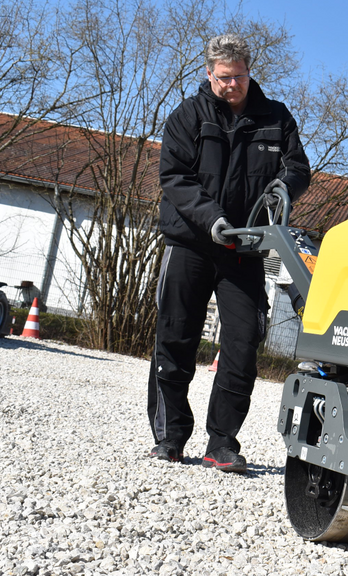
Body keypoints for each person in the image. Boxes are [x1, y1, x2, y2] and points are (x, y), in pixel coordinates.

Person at [146, 33, 310, 473]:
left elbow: (298, 168)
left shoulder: (275, 118)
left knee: (241, 347)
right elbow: (175, 177)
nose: (230, 85)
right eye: (222, 78)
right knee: (176, 337)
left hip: (246, 252)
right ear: (209, 73)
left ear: (249, 70)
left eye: (237, 77)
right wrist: (212, 218)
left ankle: (223, 443)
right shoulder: (188, 116)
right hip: (191, 244)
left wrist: (283, 188)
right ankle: (170, 436)